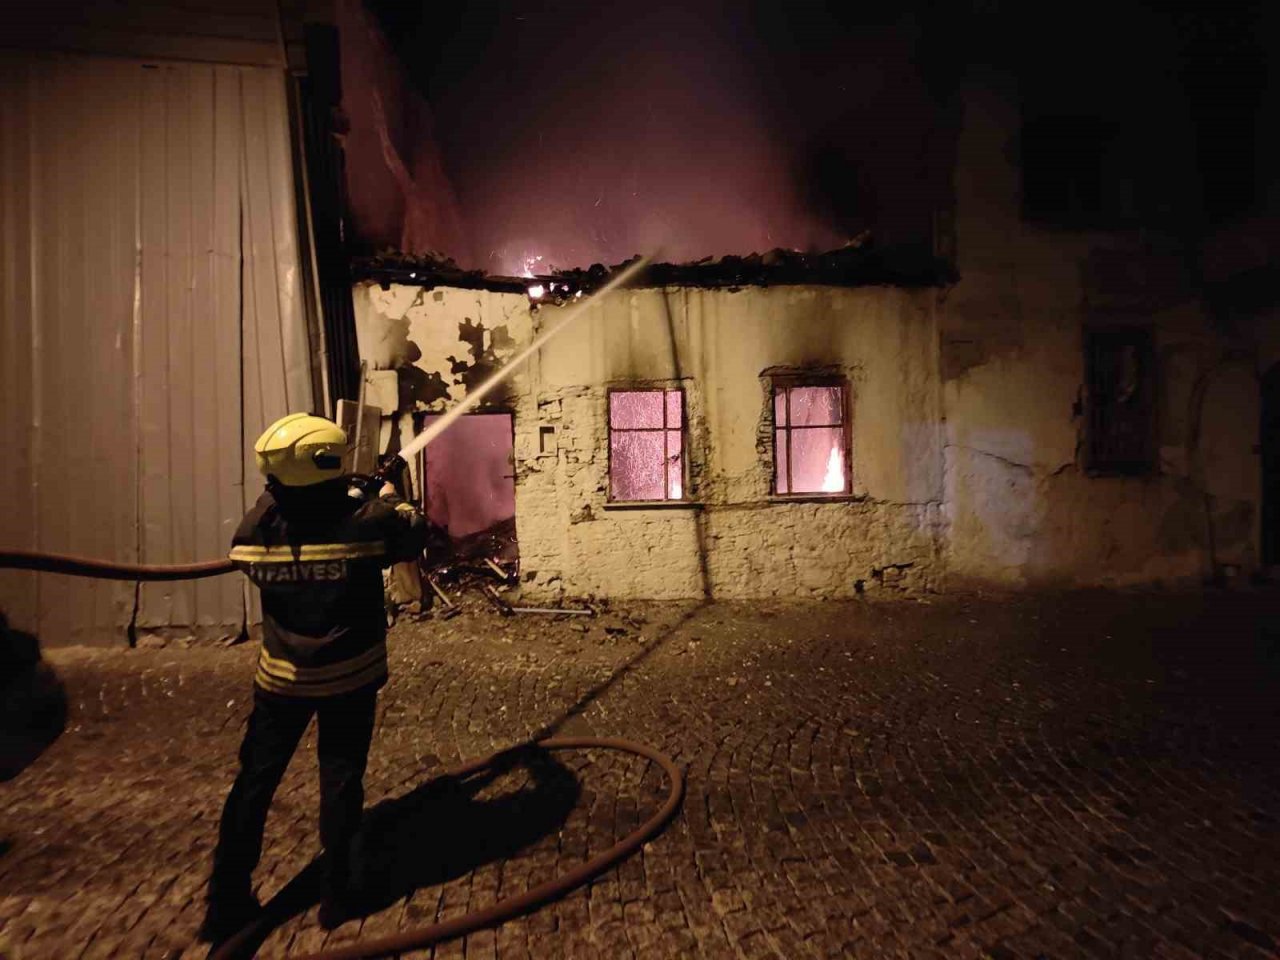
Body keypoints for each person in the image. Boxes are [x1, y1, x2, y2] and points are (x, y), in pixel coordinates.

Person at [199, 413, 426, 943]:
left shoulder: (257, 532)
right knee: (341, 779)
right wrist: (386, 494)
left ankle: (225, 900)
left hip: (280, 682)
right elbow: (411, 532)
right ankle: (339, 894)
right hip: (348, 679)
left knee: (253, 785)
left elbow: (279, 512)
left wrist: (333, 496)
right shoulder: (367, 525)